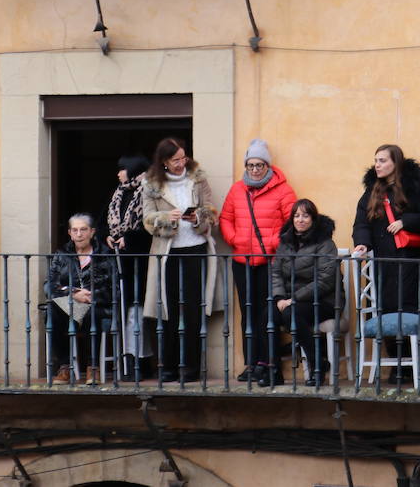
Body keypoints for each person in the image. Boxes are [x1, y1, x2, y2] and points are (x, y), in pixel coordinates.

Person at [219, 138, 296, 386]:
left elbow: (291, 223)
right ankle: (251, 363)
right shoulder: (237, 189)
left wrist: (273, 242)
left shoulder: (283, 190)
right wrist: (235, 239)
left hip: (269, 262)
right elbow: (225, 218)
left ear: (268, 166)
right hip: (242, 260)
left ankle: (269, 364)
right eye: (250, 165)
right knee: (247, 312)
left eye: (259, 165)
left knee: (268, 314)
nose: (254, 169)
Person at [141, 137, 218, 384]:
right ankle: (169, 367)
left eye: (183, 157)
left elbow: (210, 209)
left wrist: (197, 218)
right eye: (175, 160)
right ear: (164, 161)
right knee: (168, 310)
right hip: (167, 252)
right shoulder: (151, 183)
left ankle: (193, 369)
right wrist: (167, 216)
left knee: (195, 310)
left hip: (196, 248)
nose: (180, 163)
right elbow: (147, 219)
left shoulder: (197, 177)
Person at [351, 144, 420, 382]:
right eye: (376, 160)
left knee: (408, 308)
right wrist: (363, 244)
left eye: (383, 160)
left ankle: (407, 366)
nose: (377, 165)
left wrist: (405, 222)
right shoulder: (371, 192)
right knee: (384, 309)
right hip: (382, 264)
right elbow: (361, 224)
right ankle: (396, 364)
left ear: (396, 162)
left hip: (409, 262)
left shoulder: (413, 189)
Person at [272, 199, 339, 386]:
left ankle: (318, 364)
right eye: (296, 215)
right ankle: (274, 371)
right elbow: (276, 272)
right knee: (266, 315)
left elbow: (325, 280)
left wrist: (294, 299)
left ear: (313, 219)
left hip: (323, 301)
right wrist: (279, 297)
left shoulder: (325, 243)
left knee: (290, 313)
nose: (300, 220)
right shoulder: (286, 242)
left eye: (305, 215)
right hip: (290, 301)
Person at [46, 213, 113, 385]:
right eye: (74, 230)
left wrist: (90, 296)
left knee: (92, 313)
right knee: (51, 311)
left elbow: (114, 289)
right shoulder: (61, 255)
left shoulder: (104, 254)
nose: (79, 234)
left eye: (83, 229)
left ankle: (93, 368)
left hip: (96, 305)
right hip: (71, 306)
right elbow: (49, 286)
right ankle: (64, 367)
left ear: (92, 232)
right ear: (69, 233)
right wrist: (73, 294)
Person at [104, 153, 152, 380]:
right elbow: (111, 224)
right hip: (121, 261)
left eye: (122, 168)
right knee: (126, 312)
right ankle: (127, 359)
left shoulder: (147, 190)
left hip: (140, 262)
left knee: (137, 312)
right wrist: (110, 237)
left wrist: (129, 238)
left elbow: (149, 228)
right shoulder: (119, 193)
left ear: (133, 169)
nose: (119, 173)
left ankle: (140, 361)